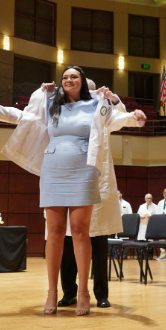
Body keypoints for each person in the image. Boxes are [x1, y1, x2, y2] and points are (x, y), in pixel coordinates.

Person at [0, 65, 146, 315]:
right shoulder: (51, 104)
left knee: (80, 232)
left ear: (83, 82)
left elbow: (117, 118)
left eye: (74, 76)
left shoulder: (97, 103)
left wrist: (134, 117)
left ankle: (84, 293)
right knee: (54, 232)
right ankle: (52, 292)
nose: (68, 79)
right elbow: (22, 116)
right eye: (65, 76)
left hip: (83, 171)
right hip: (53, 170)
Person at [59, 79, 126, 309]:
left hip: (98, 184)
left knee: (98, 245)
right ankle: (68, 292)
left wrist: (114, 99)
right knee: (68, 244)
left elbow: (120, 119)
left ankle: (101, 294)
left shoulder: (101, 109)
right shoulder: (65, 111)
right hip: (72, 182)